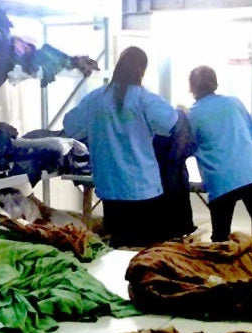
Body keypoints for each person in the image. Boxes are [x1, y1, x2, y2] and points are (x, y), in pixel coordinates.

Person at [63, 46, 179, 247]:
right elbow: (169, 121)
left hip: (112, 189)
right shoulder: (144, 99)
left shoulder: (95, 99)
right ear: (142, 70)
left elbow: (70, 125)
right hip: (143, 189)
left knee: (119, 250)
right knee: (146, 252)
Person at [186, 65, 252, 242]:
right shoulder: (234, 103)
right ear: (215, 83)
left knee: (221, 239)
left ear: (192, 87)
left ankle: (222, 269)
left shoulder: (191, 116)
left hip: (221, 180)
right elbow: (250, 135)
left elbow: (187, 148)